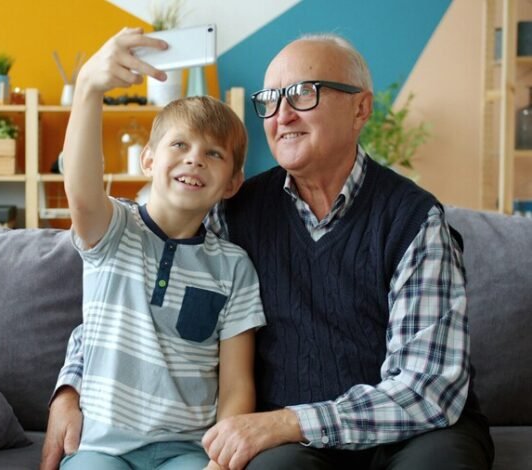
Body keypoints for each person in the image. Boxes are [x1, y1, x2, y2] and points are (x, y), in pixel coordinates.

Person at [42, 33, 495, 470]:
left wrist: (290, 421)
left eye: (302, 94)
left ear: (360, 109)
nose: (283, 115)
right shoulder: (230, 210)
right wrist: (71, 387)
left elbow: (427, 389)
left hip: (409, 435)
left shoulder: (414, 220)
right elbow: (128, 293)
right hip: (291, 441)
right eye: (271, 100)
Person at [54, 27, 266, 469]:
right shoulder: (113, 229)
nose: (195, 159)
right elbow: (80, 186)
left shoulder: (234, 267)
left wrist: (221, 460)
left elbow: (236, 385)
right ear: (149, 159)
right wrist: (91, 88)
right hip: (100, 447)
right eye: (180, 145)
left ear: (232, 183)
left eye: (214, 154)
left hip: (188, 450)